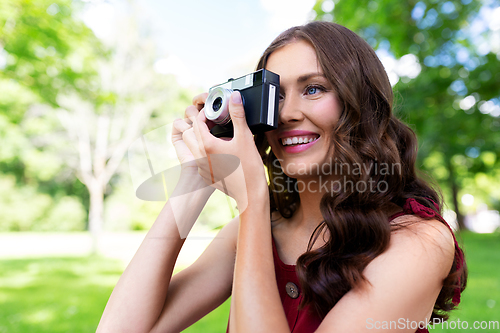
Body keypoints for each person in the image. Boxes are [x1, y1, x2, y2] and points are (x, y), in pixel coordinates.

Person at [97, 21, 467, 333]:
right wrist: (197, 178)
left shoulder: (417, 242)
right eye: (275, 97)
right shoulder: (261, 228)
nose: (287, 114)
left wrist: (252, 199)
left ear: (362, 105)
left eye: (314, 89)